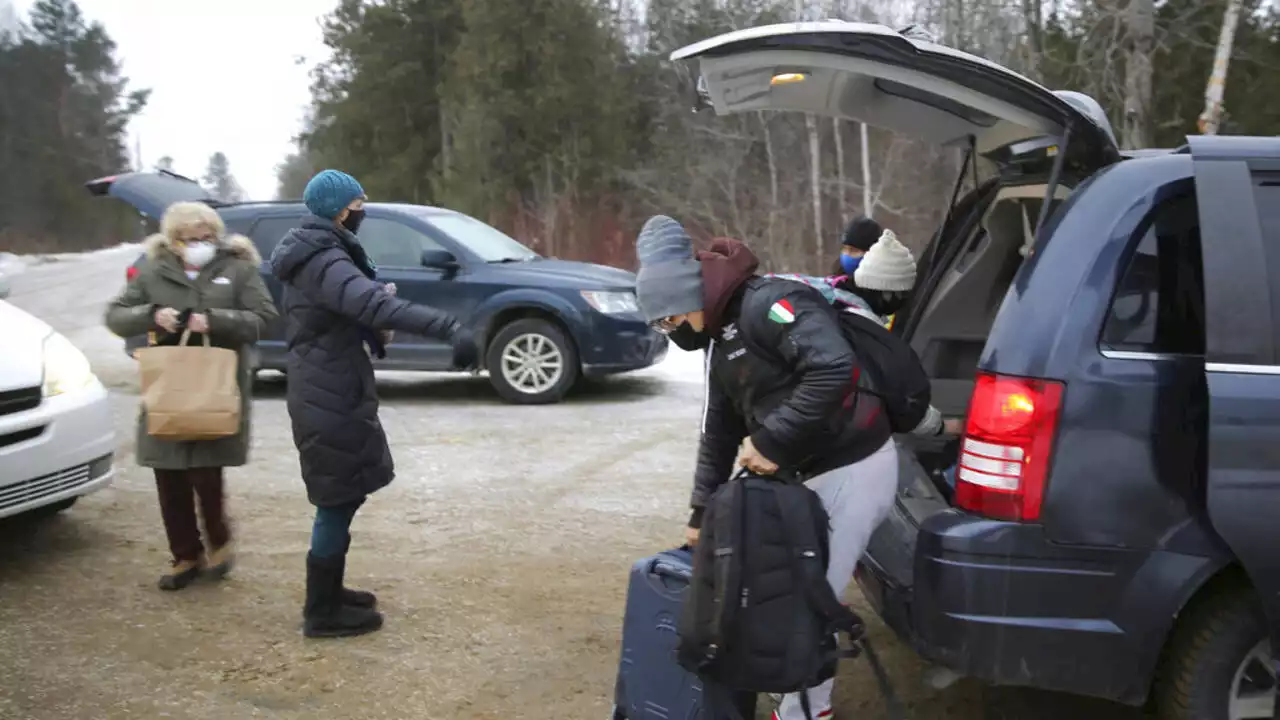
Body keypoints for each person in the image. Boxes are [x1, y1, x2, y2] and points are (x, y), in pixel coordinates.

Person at [634, 215, 899, 720]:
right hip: (807, 476)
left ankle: (804, 713)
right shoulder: (721, 336)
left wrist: (773, 438)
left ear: (687, 296)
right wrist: (700, 513)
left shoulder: (770, 304)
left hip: (854, 466)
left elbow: (833, 367)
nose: (671, 333)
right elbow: (720, 429)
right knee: (783, 597)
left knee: (807, 604)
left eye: (668, 320)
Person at [268, 169, 479, 639]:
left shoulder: (323, 254)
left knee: (345, 495)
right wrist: (448, 328)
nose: (364, 208)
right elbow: (370, 306)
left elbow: (346, 310)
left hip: (331, 386)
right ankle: (320, 612)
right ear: (343, 209)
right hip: (326, 393)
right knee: (336, 501)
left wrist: (371, 310)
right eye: (360, 201)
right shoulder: (324, 259)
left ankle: (331, 592)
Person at [105, 201, 279, 591]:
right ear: (174, 241)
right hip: (168, 385)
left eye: (206, 237)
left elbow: (264, 318)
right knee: (168, 476)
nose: (200, 244)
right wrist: (152, 314)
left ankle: (219, 542)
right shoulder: (153, 270)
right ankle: (185, 555)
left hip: (215, 384)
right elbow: (115, 315)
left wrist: (214, 320)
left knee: (206, 473)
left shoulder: (237, 268)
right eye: (190, 239)